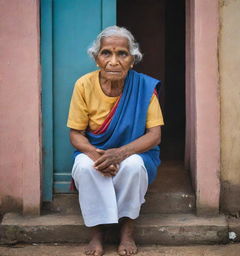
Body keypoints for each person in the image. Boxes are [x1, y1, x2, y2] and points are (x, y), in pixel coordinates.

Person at [67, 26, 164, 256]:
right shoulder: (84, 85)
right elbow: (75, 134)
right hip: (96, 150)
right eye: (106, 53)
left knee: (133, 167)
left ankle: (127, 231)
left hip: (135, 152)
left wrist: (120, 154)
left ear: (132, 59)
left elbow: (154, 135)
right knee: (85, 166)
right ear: (96, 58)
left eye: (122, 53)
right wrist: (98, 155)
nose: (114, 61)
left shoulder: (143, 87)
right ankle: (96, 233)